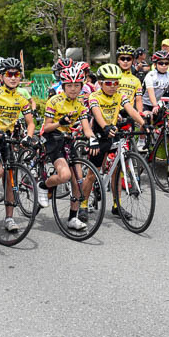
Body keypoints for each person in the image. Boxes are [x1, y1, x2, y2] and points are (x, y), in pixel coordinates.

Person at [37, 65, 98, 230]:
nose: (73, 89)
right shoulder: (54, 101)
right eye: (69, 86)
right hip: (53, 139)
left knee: (78, 180)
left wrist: (92, 139)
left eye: (77, 85)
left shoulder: (80, 104)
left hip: (68, 140)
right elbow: (46, 128)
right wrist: (60, 122)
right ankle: (44, 185)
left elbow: (86, 128)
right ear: (63, 86)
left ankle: (73, 217)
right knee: (64, 175)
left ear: (81, 85)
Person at [86, 64, 147, 220]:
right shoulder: (94, 96)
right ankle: (83, 205)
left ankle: (117, 205)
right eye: (108, 83)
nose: (113, 86)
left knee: (117, 173)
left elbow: (130, 109)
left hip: (113, 134)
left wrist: (143, 123)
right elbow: (96, 113)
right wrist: (105, 126)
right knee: (92, 175)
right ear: (100, 83)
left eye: (116, 82)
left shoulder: (120, 95)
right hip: (100, 135)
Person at [0, 58, 35, 233]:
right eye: (9, 74)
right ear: (2, 75)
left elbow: (30, 122)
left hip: (9, 138)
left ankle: (9, 217)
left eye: (17, 74)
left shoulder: (21, 98)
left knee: (10, 177)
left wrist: (28, 136)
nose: (13, 78)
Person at [117, 45, 143, 113]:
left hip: (129, 113)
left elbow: (138, 100)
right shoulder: (112, 77)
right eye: (122, 59)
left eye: (128, 59)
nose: (125, 61)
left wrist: (140, 112)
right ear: (118, 60)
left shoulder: (136, 80)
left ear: (133, 61)